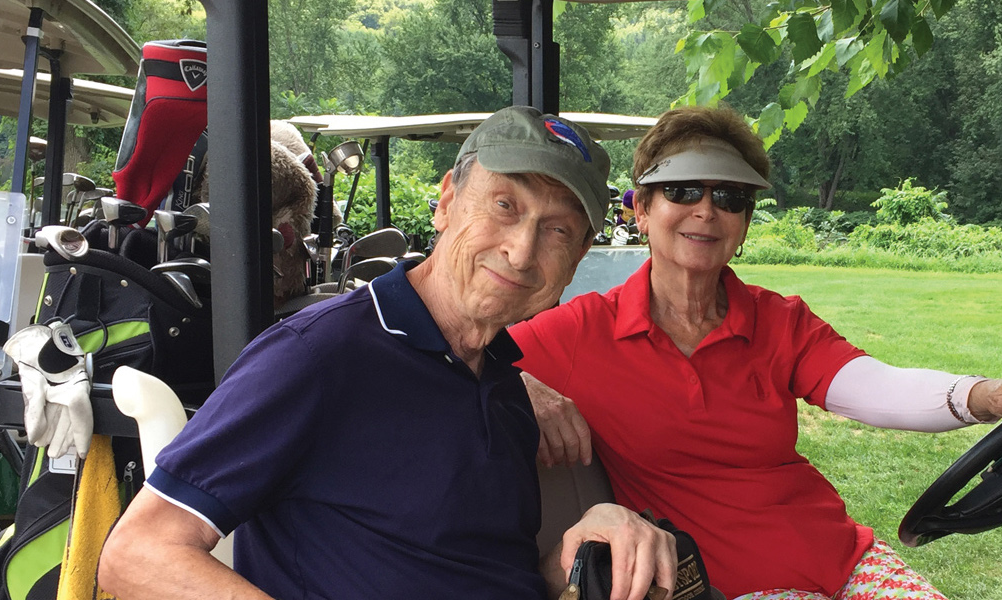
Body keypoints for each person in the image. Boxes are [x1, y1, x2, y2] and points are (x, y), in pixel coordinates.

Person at [99, 106, 677, 600]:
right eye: (505, 205)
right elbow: (137, 555)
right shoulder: (318, 356)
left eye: (557, 231)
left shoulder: (501, 384)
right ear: (447, 201)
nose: (522, 251)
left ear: (576, 261)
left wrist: (582, 543)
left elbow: (487, 575)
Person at [510, 106, 1002, 600]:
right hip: (727, 584)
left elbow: (872, 386)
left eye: (730, 197)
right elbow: (456, 359)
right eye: (683, 191)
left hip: (843, 560)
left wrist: (986, 396)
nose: (706, 210)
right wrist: (522, 384)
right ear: (641, 211)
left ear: (744, 224)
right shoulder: (583, 331)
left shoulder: (778, 320)